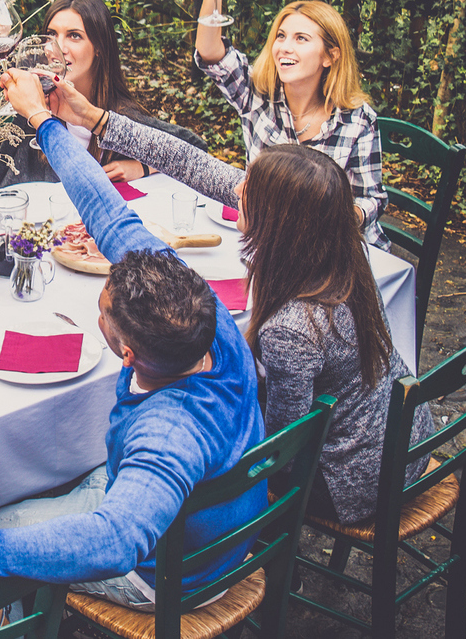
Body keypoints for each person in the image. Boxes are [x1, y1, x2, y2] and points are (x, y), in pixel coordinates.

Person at [0, 69, 265, 610]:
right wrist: (44, 119)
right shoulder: (203, 312)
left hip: (171, 575)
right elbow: (104, 206)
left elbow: (115, 541)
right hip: (208, 523)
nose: (102, 299)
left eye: (103, 309)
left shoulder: (168, 432)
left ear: (127, 353)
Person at [37, 78, 435, 525]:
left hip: (355, 480)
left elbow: (278, 452)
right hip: (405, 434)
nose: (237, 188)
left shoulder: (292, 327)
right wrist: (94, 118)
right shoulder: (336, 248)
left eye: (249, 189)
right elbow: (190, 161)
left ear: (278, 221)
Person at [191, 0, 388, 248]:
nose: (284, 47)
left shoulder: (356, 120)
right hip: (268, 241)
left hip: (335, 253)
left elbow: (371, 199)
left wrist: (339, 218)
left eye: (301, 39)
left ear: (330, 56)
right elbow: (209, 51)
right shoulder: (257, 94)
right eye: (281, 36)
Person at [0, 0, 207, 196]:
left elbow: (194, 150)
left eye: (74, 36)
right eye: (52, 35)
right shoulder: (33, 113)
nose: (58, 48)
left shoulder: (117, 116)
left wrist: (141, 167)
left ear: (99, 47)